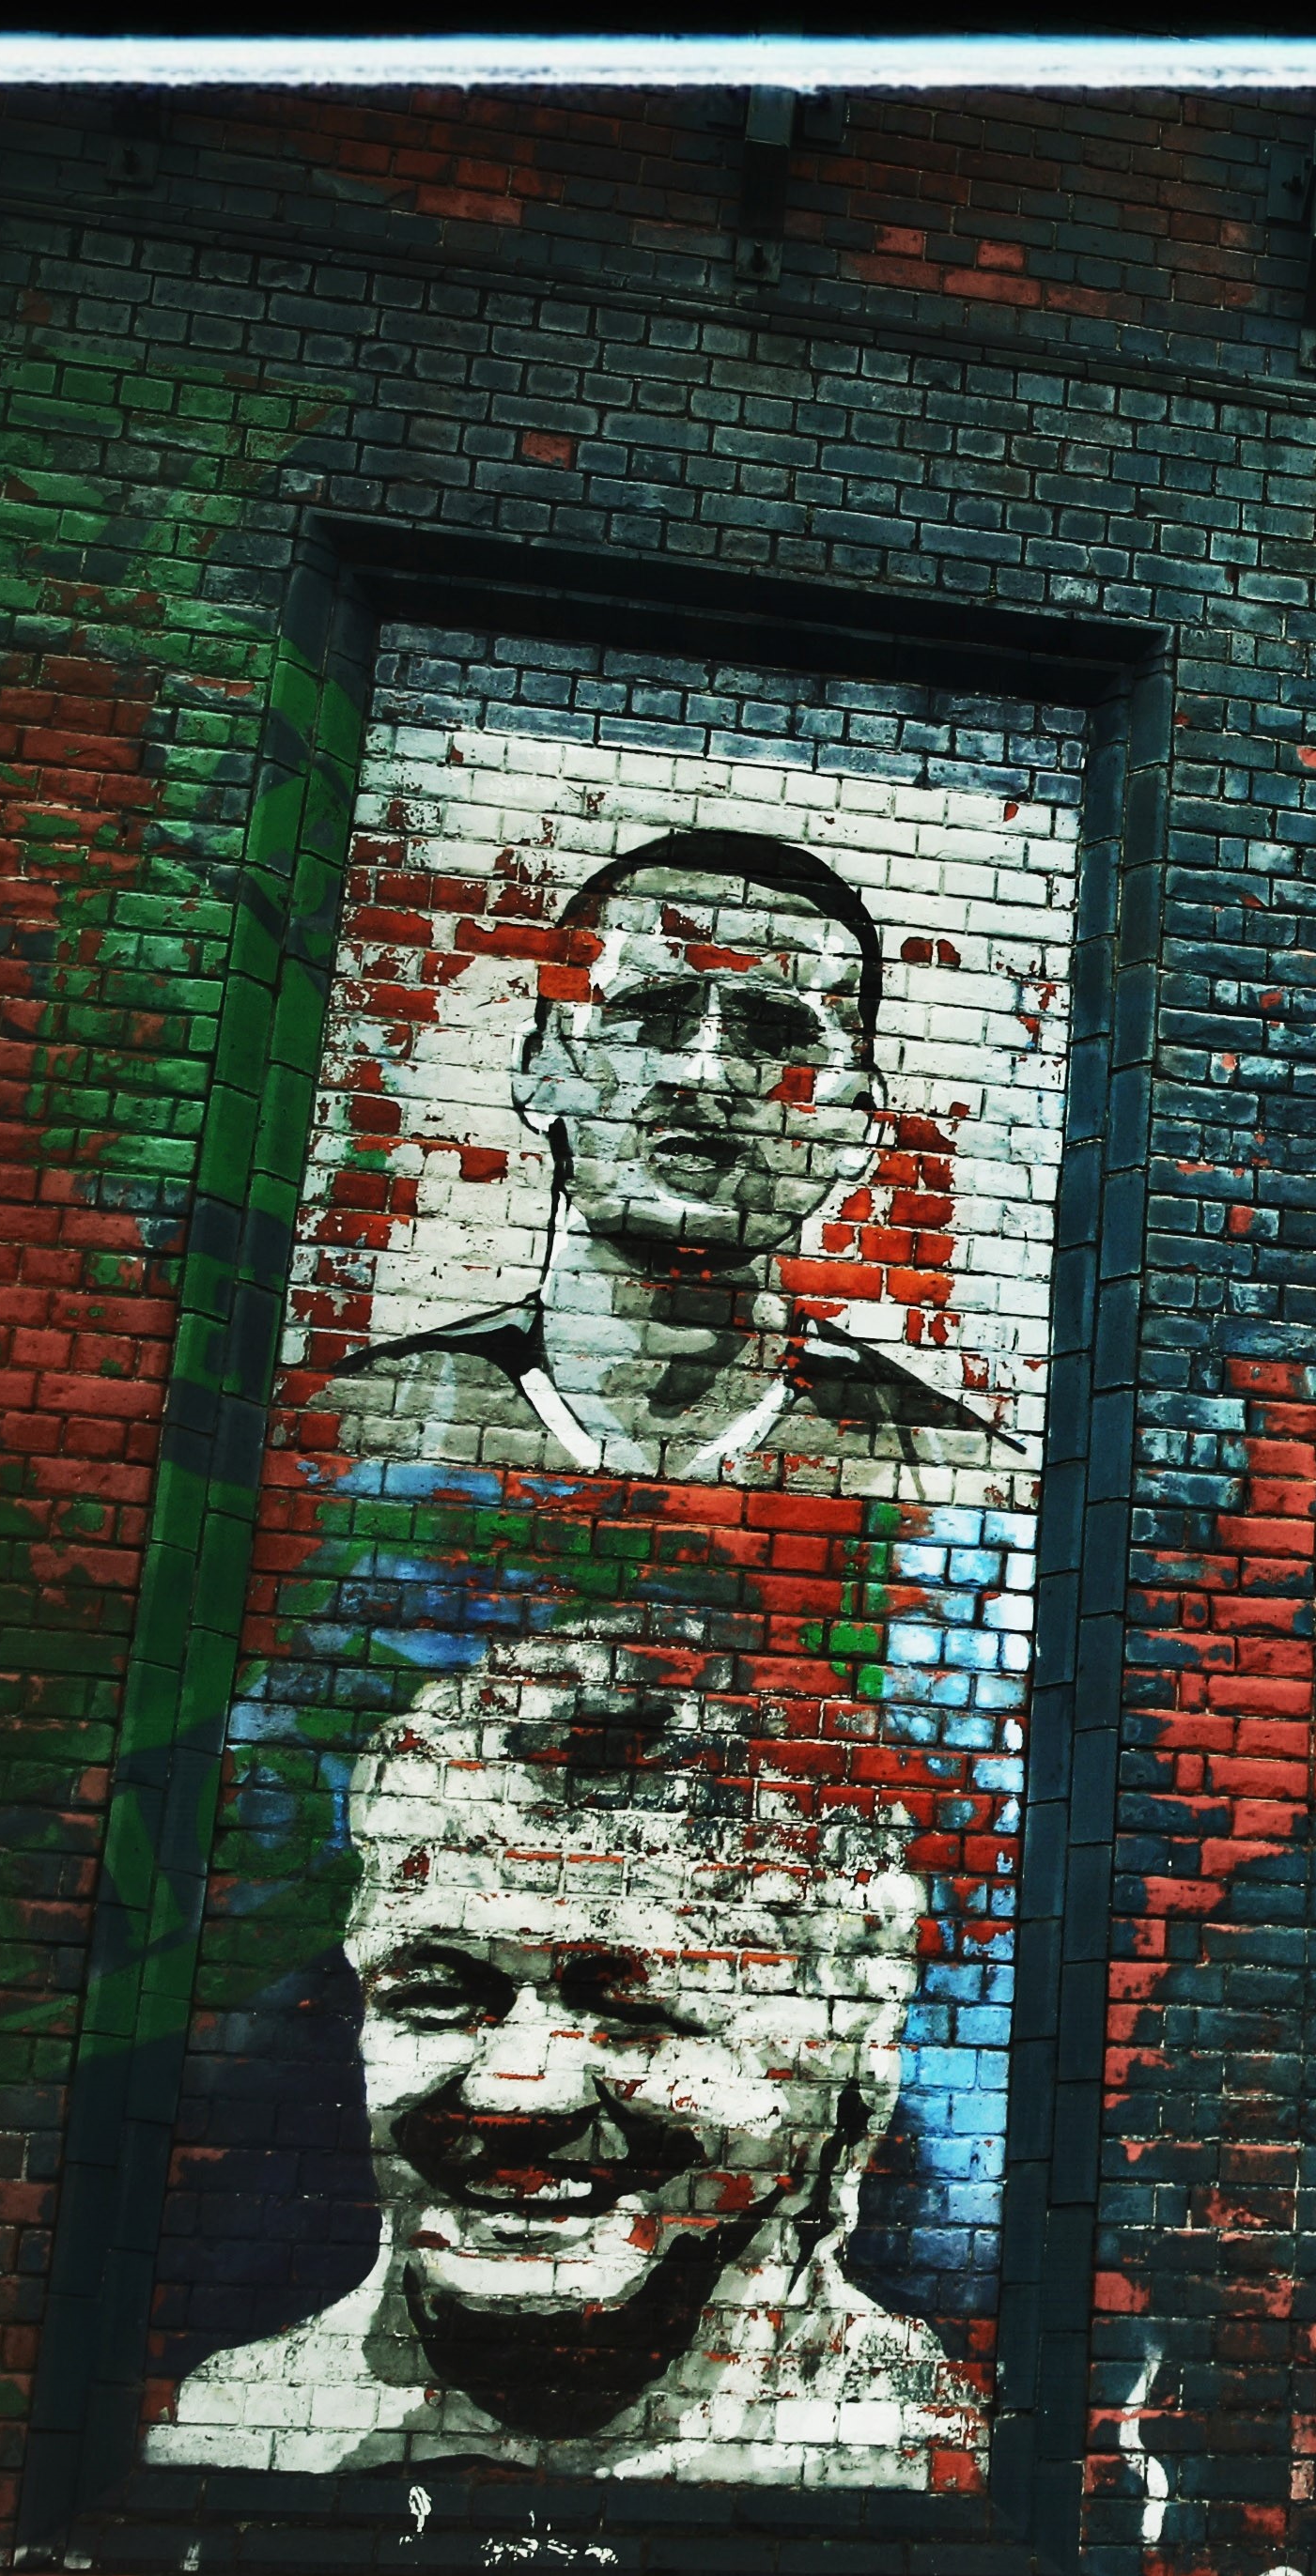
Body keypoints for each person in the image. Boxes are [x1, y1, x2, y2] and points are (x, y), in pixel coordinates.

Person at [151, 1610, 987, 2486]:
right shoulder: (214, 2458)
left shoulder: (936, 2479)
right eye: (436, 1997)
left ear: (848, 2084)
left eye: (637, 2013)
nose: (517, 2093)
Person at [320, 827, 1005, 1483]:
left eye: (773, 1030)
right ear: (541, 1073)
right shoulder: (352, 1428)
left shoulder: (956, 1472)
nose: (703, 1072)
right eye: (648, 1013)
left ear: (859, 1120)